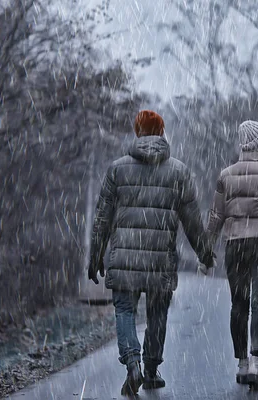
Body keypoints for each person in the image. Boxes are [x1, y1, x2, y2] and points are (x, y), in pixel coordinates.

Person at [87, 110, 214, 396]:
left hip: (125, 257)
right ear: (161, 132)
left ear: (137, 132)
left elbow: (102, 218)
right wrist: (205, 253)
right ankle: (152, 369)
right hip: (160, 259)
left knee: (124, 309)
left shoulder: (117, 169)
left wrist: (96, 255)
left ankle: (132, 364)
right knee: (158, 313)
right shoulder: (179, 171)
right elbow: (192, 220)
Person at [206, 120, 258, 391]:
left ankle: (241, 363)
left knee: (238, 304)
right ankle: (256, 361)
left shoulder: (226, 174)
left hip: (235, 245)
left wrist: (206, 248)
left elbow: (216, 215)